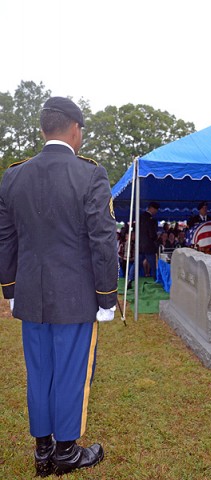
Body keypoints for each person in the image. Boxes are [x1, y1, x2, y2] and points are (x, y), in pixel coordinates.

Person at [0, 97, 118, 477]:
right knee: (70, 370)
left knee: (40, 371)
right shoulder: (90, 174)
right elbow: (103, 239)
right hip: (76, 296)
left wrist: (10, 289)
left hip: (30, 295)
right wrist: (106, 296)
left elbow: (6, 239)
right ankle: (65, 453)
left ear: (43, 129)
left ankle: (42, 450)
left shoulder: (13, 175)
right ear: (74, 129)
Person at [127, 201, 159, 289]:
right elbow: (152, 234)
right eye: (155, 210)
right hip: (149, 246)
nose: (156, 212)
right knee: (153, 265)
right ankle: (157, 281)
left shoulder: (139, 217)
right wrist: (156, 238)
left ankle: (130, 280)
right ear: (152, 208)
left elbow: (134, 230)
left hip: (140, 245)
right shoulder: (151, 220)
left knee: (136, 264)